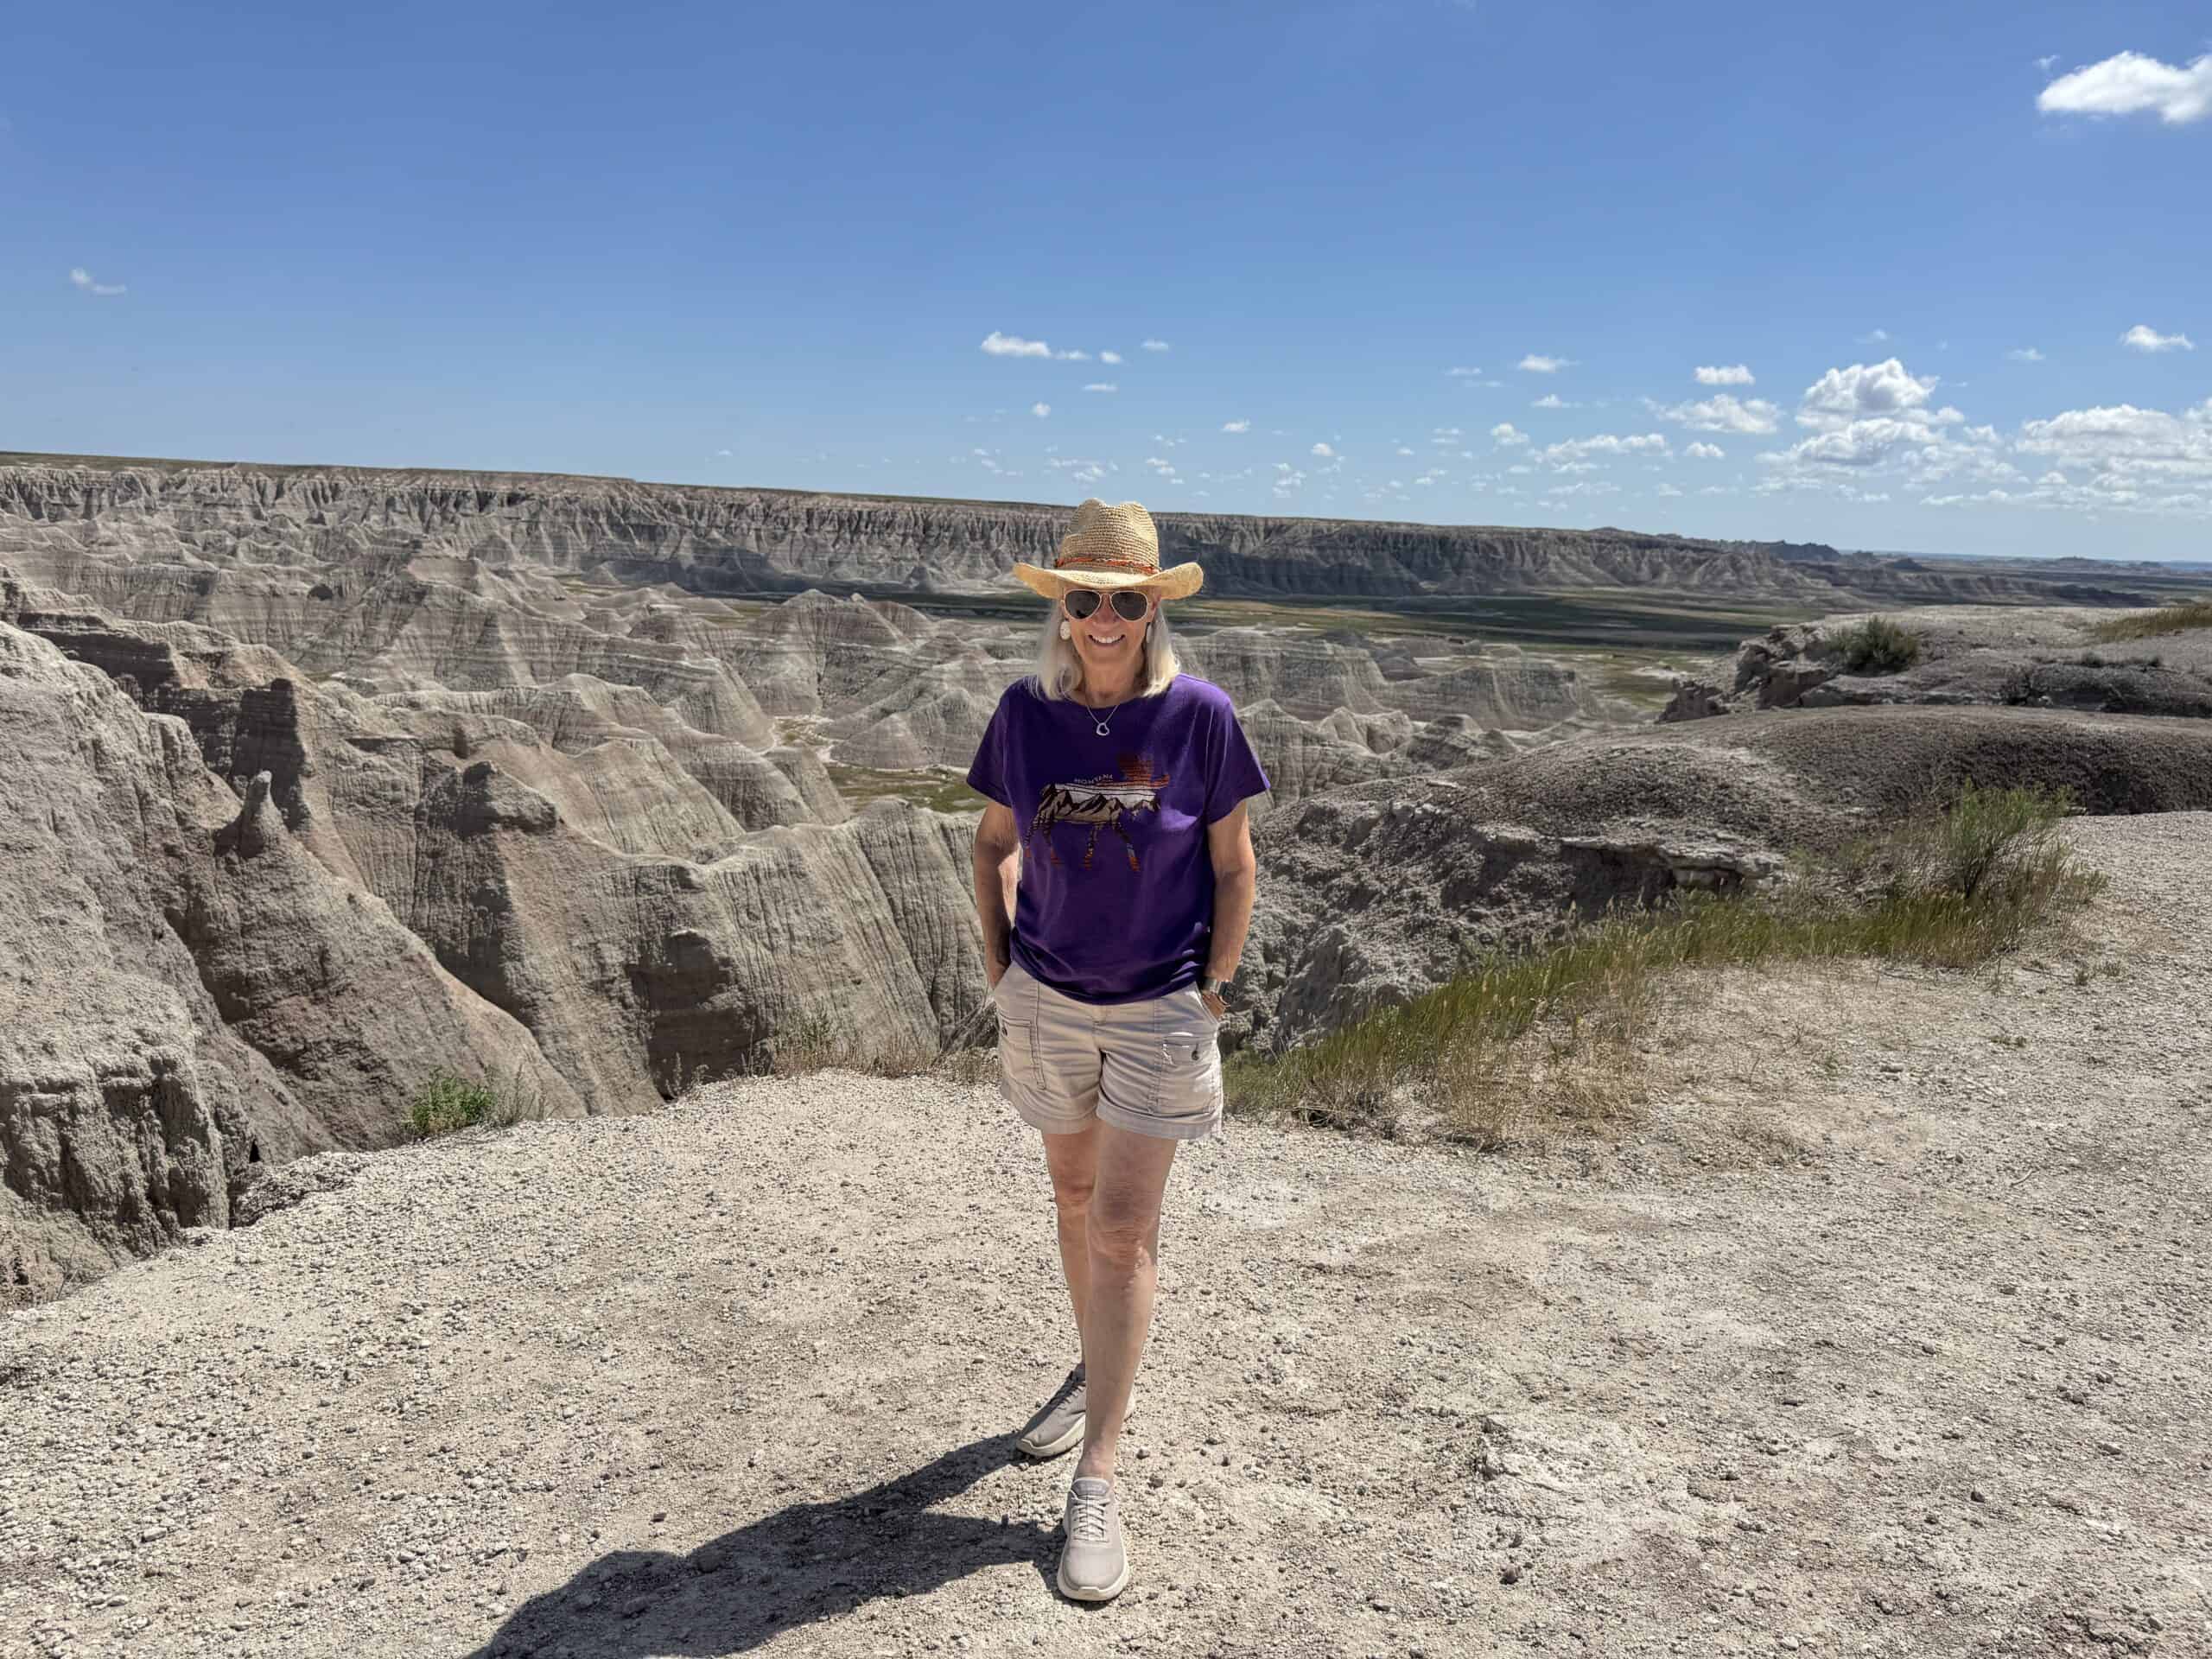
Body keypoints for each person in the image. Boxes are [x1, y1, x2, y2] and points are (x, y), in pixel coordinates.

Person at [963, 498, 1270, 1604]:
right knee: (1070, 1195)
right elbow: (995, 843)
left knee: (1124, 1226)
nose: (1104, 618)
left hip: (1156, 1008)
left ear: (1152, 610)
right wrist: (1003, 970)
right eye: (1084, 598)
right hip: (1047, 999)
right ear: (1062, 609)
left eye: (1125, 601)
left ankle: (1097, 1472)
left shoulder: (1199, 716)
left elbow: (1233, 865)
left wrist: (1214, 991)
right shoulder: (1025, 714)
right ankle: (1097, 1374)